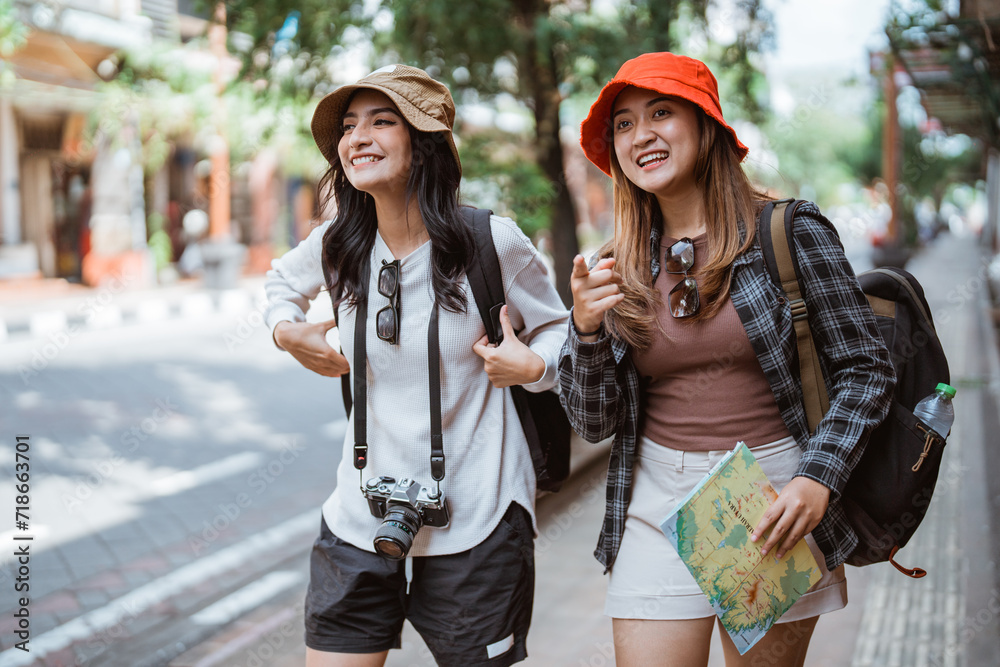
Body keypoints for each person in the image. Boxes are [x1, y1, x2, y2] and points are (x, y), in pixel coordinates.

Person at [558, 52, 896, 666]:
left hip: (771, 497)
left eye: (661, 112)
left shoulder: (789, 232)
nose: (642, 135)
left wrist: (818, 477)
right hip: (654, 499)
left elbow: (867, 368)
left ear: (706, 124)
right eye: (625, 124)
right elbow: (592, 422)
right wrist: (583, 330)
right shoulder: (616, 264)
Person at [264, 65, 568, 667]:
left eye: (382, 121)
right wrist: (285, 331)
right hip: (358, 517)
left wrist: (530, 365)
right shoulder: (338, 243)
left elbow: (563, 330)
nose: (357, 137)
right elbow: (280, 282)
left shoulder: (489, 241)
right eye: (348, 127)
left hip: (478, 517)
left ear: (425, 144)